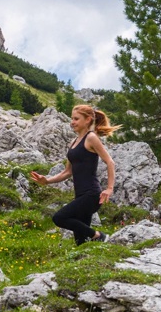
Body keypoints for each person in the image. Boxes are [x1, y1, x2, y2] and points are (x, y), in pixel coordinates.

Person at [30, 104, 121, 245]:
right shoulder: (73, 143)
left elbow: (110, 162)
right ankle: (92, 255)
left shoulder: (91, 138)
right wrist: (47, 180)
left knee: (59, 218)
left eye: (76, 118)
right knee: (81, 242)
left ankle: (98, 235)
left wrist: (109, 188)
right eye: (72, 118)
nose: (72, 122)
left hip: (91, 194)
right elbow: (67, 172)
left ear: (87, 120)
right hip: (80, 195)